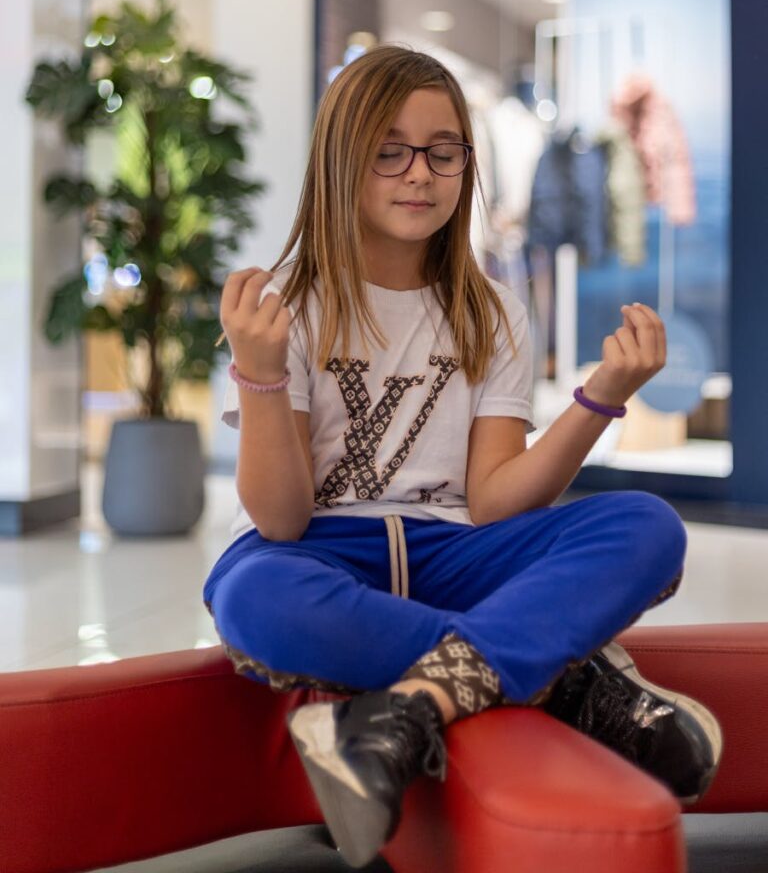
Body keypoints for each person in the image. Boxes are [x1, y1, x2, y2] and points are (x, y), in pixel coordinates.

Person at [203, 45, 722, 869]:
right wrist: (261, 376)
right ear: (342, 161)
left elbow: (494, 504)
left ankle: (405, 709)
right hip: (322, 553)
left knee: (645, 525)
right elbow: (280, 516)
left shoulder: (492, 311)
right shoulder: (283, 306)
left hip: (459, 551)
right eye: (390, 151)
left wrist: (601, 397)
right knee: (255, 594)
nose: (421, 174)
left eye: (445, 151)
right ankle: (574, 683)